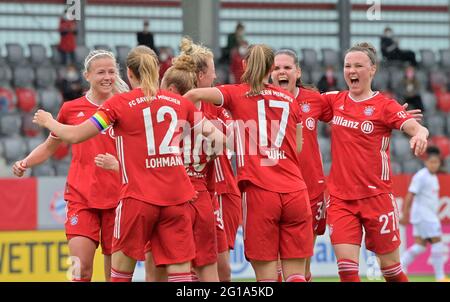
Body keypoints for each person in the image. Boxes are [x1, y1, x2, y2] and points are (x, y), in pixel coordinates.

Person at [32, 45, 223, 282]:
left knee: (120, 273)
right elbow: (220, 140)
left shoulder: (119, 104)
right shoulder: (179, 103)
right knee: (179, 274)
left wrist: (49, 121)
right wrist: (195, 158)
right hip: (175, 199)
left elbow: (73, 136)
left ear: (129, 74)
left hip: (137, 199)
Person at [184, 44, 313, 282]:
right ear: (271, 69)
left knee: (266, 278)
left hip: (260, 190)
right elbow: (298, 146)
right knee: (296, 276)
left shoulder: (236, 92)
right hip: (296, 190)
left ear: (244, 65)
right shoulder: (289, 98)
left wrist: (197, 128)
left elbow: (192, 96)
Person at [12, 49, 129, 282]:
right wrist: (25, 162)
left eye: (111, 72)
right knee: (81, 270)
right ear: (87, 76)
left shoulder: (126, 107)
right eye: (101, 72)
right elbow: (49, 146)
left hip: (119, 198)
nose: (107, 77)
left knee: (116, 276)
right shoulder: (70, 109)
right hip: (81, 197)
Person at [322, 42, 429, 282]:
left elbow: (416, 128)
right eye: (347, 65)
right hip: (340, 199)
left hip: (377, 198)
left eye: (358, 65)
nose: (351, 70)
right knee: (347, 271)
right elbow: (299, 104)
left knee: (391, 271)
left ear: (372, 69)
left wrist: (420, 134)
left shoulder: (385, 106)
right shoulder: (334, 101)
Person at [271, 48, 332, 282]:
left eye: (287, 67)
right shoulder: (260, 100)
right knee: (276, 265)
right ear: (269, 73)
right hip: (273, 188)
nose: (281, 72)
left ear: (297, 71)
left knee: (303, 266)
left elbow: (351, 111)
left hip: (310, 189)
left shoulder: (314, 100)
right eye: (276, 68)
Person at [400, 146, 449, 282]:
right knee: (437, 241)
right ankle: (440, 277)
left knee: (420, 246)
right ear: (426, 162)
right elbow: (410, 194)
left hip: (426, 216)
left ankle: (399, 268)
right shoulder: (421, 176)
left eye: (437, 162)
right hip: (424, 216)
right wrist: (405, 214)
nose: (434, 165)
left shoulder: (434, 177)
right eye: (432, 162)